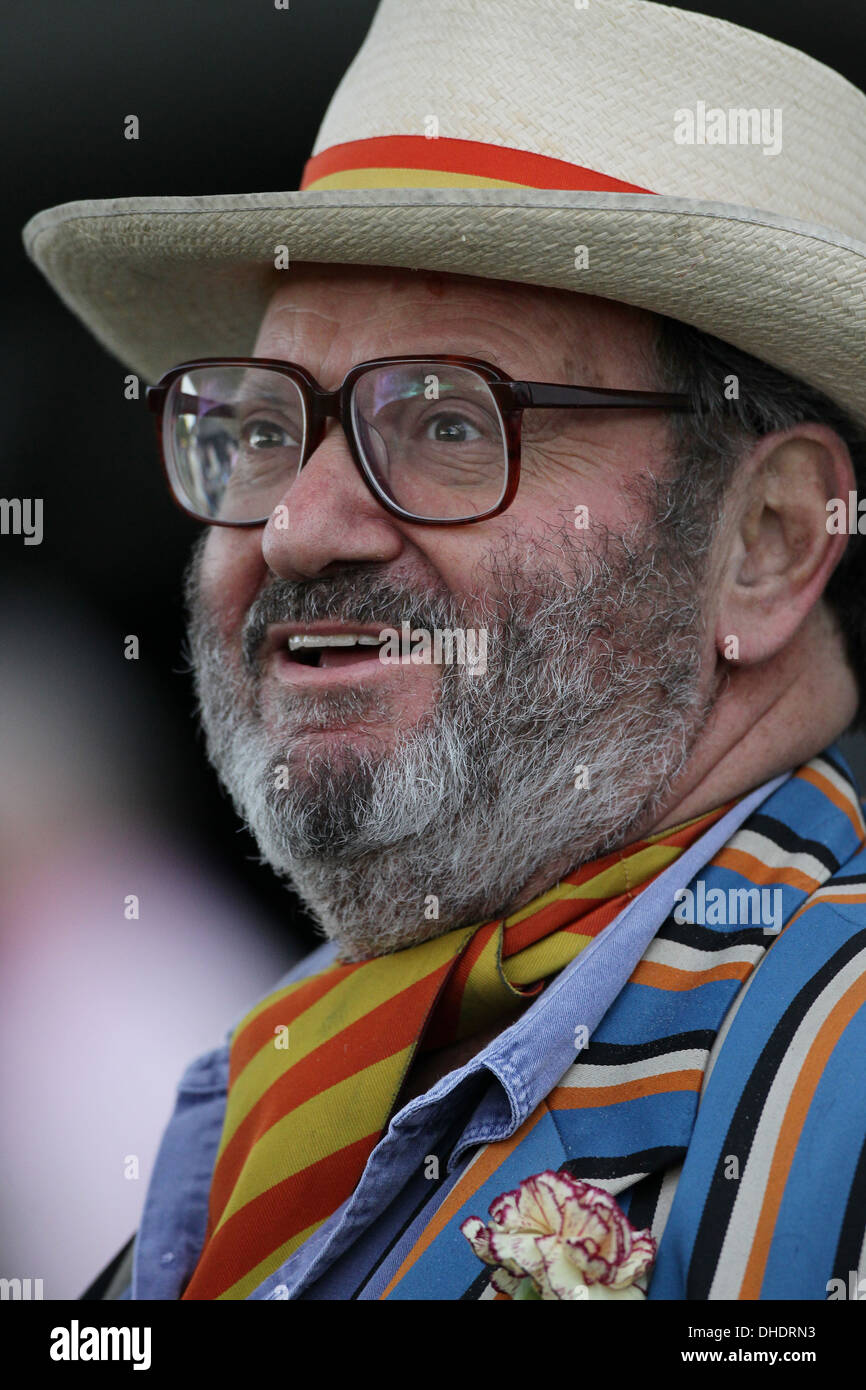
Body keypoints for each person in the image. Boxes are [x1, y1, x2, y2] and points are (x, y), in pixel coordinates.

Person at [23, 0, 866, 1300]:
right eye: (257, 429)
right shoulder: (293, 1067)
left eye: (447, 425)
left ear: (763, 538)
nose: (298, 524)